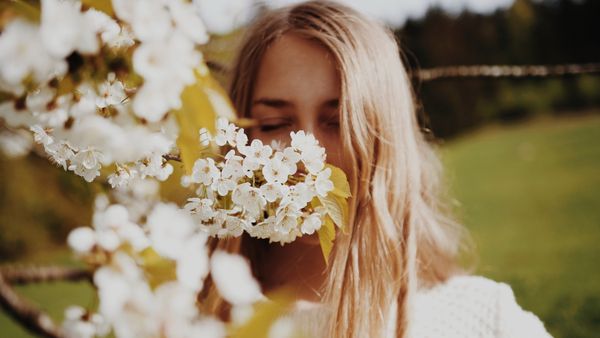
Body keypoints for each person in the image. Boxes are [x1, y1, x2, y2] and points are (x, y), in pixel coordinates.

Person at [201, 1, 553, 337]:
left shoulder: (482, 319)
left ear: (385, 137)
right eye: (275, 123)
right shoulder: (180, 314)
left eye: (337, 122)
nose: (304, 156)